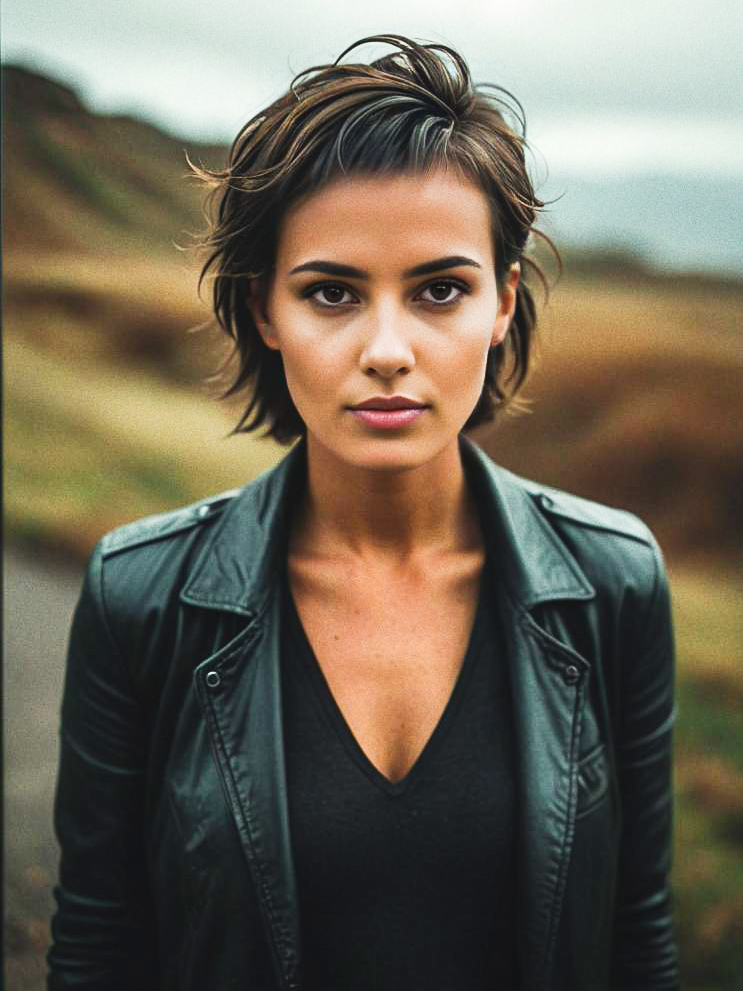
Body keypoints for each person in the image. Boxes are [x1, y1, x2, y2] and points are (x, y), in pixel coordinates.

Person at [48, 34, 679, 991]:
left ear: (502, 303)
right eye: (333, 292)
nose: (387, 348)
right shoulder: (140, 598)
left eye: (439, 289)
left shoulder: (613, 580)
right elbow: (98, 949)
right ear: (265, 311)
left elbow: (637, 937)